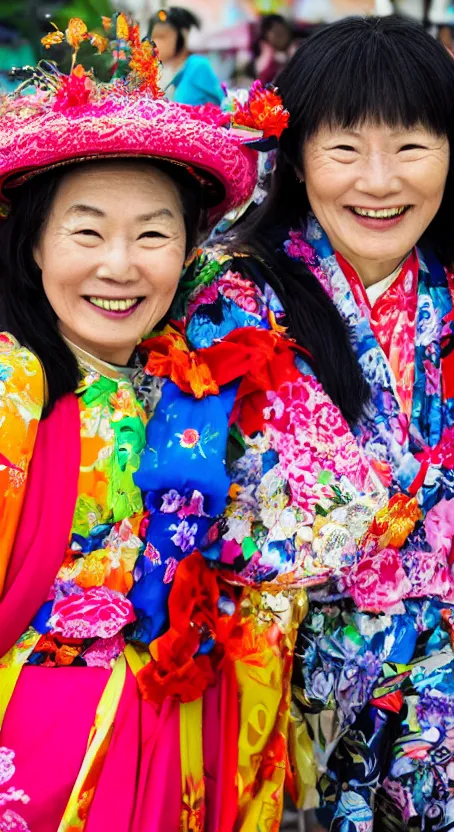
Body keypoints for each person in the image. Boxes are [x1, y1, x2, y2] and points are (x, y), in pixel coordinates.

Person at [138, 15, 454, 832]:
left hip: (448, 684)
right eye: (344, 150)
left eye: (411, 147)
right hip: (292, 680)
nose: (379, 181)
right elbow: (187, 495)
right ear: (296, 158)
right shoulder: (233, 295)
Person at [0, 13, 260, 831]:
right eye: (86, 231)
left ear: (188, 253)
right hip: (33, 734)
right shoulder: (13, 388)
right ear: (33, 245)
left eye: (153, 234)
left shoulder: (191, 383)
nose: (120, 266)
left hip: (169, 730)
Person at [149, 7, 225, 106]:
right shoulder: (164, 73)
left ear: (183, 34)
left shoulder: (198, 66)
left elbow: (223, 108)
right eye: (153, 37)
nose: (155, 43)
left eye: (162, 37)